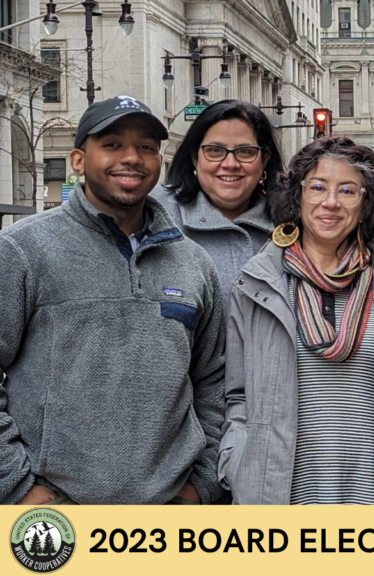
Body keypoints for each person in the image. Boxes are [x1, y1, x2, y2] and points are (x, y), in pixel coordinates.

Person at [0, 95, 225, 504]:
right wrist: (18, 488)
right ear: (78, 160)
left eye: (145, 147)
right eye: (112, 144)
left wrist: (201, 488)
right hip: (54, 521)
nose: (132, 158)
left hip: (168, 519)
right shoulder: (21, 251)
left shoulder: (194, 264)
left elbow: (214, 381)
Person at [219, 136, 374, 504]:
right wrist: (236, 463)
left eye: (348, 190)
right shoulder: (256, 284)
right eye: (318, 187)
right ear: (298, 196)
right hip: (281, 500)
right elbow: (236, 394)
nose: (330, 202)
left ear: (366, 203)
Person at [153, 100, 284, 292]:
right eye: (215, 151)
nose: (230, 163)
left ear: (264, 160)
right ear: (195, 158)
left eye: (245, 152)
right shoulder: (153, 214)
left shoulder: (291, 223)